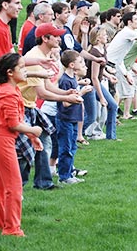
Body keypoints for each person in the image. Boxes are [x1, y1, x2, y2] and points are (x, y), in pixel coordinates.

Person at [0, 53, 43, 236]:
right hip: (2, 140)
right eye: (22, 67)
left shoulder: (10, 90)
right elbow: (13, 124)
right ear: (10, 72)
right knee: (14, 185)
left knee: (3, 186)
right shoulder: (9, 93)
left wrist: (31, 136)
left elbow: (14, 122)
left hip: (0, 139)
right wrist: (34, 130)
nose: (25, 71)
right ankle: (11, 229)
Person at [57, 50, 90, 184]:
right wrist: (82, 93)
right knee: (66, 148)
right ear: (71, 65)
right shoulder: (65, 81)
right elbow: (65, 102)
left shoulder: (72, 79)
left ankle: (70, 173)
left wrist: (81, 84)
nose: (83, 64)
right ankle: (64, 177)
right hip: (65, 119)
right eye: (80, 62)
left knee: (72, 147)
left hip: (73, 119)